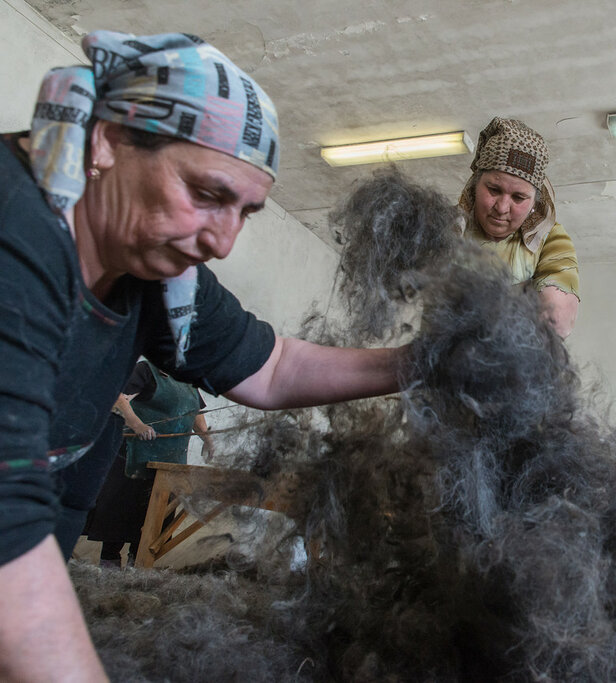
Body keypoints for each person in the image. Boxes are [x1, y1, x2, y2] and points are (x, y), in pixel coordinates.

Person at [0, 31, 402, 680]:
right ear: (106, 140)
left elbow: (271, 367)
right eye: (207, 194)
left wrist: (418, 364)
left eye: (245, 211)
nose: (222, 240)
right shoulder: (15, 231)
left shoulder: (151, 267)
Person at [457, 117, 580, 338]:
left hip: (512, 366)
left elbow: (558, 321)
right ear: (475, 184)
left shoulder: (551, 241)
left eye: (518, 197)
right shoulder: (445, 229)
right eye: (493, 190)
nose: (502, 207)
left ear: (535, 202)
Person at [85, 360, 214, 568]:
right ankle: (109, 564)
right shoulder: (145, 370)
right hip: (135, 458)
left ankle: (138, 565)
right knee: (121, 510)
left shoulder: (187, 378)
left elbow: (195, 411)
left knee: (153, 517)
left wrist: (207, 439)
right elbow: (118, 399)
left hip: (171, 462)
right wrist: (137, 424)